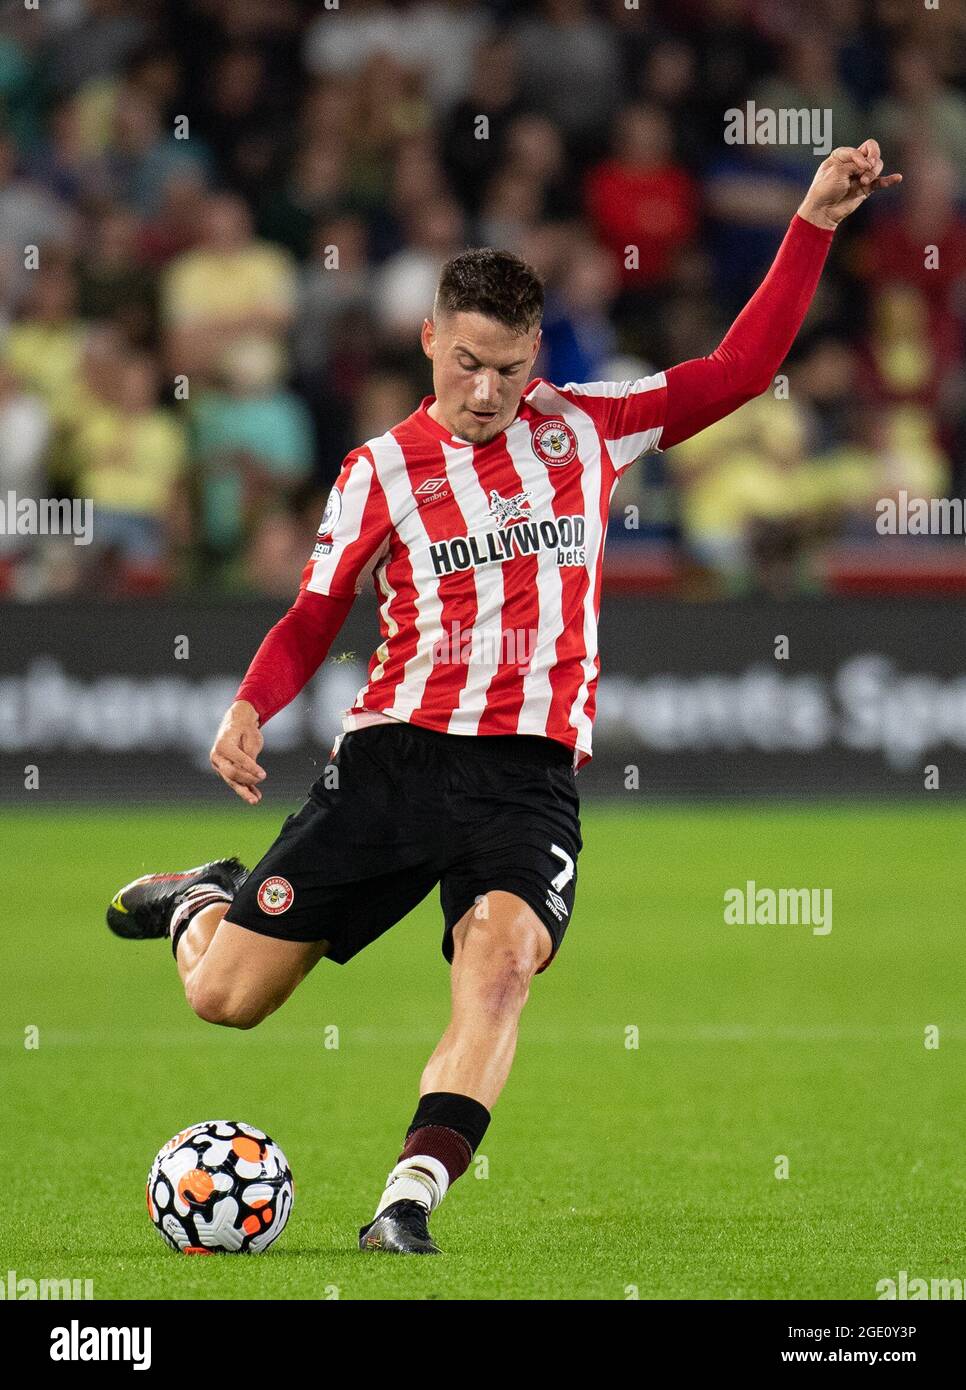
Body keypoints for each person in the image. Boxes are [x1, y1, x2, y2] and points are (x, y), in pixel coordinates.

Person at [106, 143, 900, 1254]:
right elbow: (313, 615)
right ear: (430, 339)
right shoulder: (378, 471)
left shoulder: (588, 427)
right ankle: (199, 900)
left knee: (501, 967)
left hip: (527, 779)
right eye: (467, 363)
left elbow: (738, 365)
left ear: (539, 356)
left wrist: (814, 217)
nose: (486, 394)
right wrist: (249, 705)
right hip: (397, 760)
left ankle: (406, 1204)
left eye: (510, 369)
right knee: (226, 999)